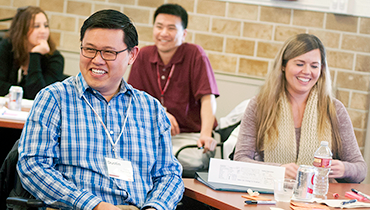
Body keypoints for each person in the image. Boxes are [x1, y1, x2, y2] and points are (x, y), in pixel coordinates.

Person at [17, 9, 184, 210]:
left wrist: (155, 207)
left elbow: (169, 174)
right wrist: (95, 206)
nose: (97, 60)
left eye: (108, 52)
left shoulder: (151, 109)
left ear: (132, 55)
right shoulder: (54, 99)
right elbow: (33, 166)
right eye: (89, 49)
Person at [234, 33, 367, 183]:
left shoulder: (334, 109)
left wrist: (344, 168)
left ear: (321, 69)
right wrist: (278, 170)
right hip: (270, 196)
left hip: (317, 200)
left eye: (314, 66)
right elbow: (240, 160)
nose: (307, 71)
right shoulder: (259, 105)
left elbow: (361, 169)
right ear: (283, 66)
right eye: (299, 64)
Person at [128, 4, 219, 173]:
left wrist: (205, 134)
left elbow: (208, 98)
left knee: (190, 159)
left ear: (183, 34)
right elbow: (132, 100)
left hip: (188, 135)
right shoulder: (143, 55)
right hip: (152, 134)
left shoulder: (195, 54)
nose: (164, 33)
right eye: (159, 27)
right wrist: (160, 114)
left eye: (171, 28)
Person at [0, 6, 65, 100]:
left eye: (46, 26)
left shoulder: (55, 58)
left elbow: (39, 96)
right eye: (36, 26)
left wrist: (35, 55)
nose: (43, 31)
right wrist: (23, 92)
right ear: (22, 30)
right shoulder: (7, 47)